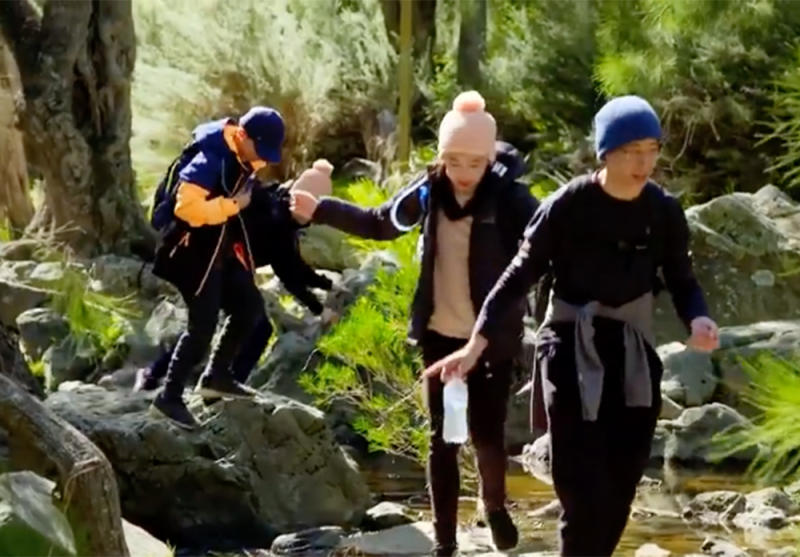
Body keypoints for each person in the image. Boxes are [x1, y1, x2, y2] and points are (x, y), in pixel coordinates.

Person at [423, 96, 720, 556]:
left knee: (622, 482)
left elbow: (681, 279)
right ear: (606, 153)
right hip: (568, 347)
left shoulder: (663, 211)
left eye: (652, 149)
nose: (644, 162)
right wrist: (475, 345)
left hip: (632, 350)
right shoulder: (569, 205)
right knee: (581, 487)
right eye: (631, 151)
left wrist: (697, 318)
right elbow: (517, 277)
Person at [291, 92, 539, 556]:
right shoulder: (429, 191)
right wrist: (321, 209)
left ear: (489, 159)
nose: (463, 173)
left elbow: (545, 243)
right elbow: (380, 222)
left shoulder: (510, 200)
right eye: (453, 161)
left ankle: (495, 505)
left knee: (488, 433)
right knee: (442, 439)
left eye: (473, 163)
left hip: (491, 338)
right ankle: (445, 544)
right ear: (442, 157)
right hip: (439, 334)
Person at [136, 169, 335, 394]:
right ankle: (223, 382)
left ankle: (158, 374)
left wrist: (327, 285)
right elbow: (289, 274)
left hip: (214, 260)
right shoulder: (279, 221)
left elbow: (295, 266)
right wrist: (319, 308)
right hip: (217, 263)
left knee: (207, 325)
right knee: (254, 327)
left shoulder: (274, 201)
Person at [150, 106, 285, 430]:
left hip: (218, 249)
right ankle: (168, 398)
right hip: (189, 252)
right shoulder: (211, 157)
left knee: (249, 307)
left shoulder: (241, 151)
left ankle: (217, 377)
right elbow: (187, 208)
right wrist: (232, 206)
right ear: (242, 135)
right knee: (202, 325)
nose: (264, 161)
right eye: (261, 151)